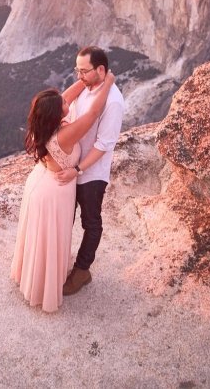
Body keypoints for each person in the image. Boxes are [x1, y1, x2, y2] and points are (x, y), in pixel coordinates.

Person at [10, 68, 116, 313]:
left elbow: (65, 98)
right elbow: (93, 114)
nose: (65, 100)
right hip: (55, 192)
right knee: (51, 237)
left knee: (40, 236)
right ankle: (45, 286)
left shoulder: (43, 123)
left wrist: (87, 78)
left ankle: (34, 276)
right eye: (61, 104)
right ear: (56, 114)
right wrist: (107, 81)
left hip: (40, 183)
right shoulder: (64, 135)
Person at [55, 46, 125, 296]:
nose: (79, 76)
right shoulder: (86, 87)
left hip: (91, 174)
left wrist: (78, 169)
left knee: (91, 222)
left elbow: (104, 145)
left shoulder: (113, 101)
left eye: (84, 71)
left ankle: (82, 271)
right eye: (77, 70)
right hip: (71, 168)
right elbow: (65, 103)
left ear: (101, 70)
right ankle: (60, 263)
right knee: (66, 217)